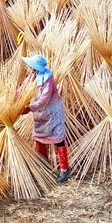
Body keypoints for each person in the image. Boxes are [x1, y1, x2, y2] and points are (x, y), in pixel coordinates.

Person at [20, 53, 71, 183]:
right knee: (39, 138)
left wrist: (29, 108)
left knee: (58, 139)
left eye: (31, 65)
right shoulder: (31, 78)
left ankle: (65, 169)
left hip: (53, 113)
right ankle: (44, 164)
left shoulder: (48, 79)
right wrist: (12, 101)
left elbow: (44, 99)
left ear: (36, 67)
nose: (29, 67)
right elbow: (21, 90)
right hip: (40, 114)